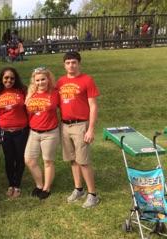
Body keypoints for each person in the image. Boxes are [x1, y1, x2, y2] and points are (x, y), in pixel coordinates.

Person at [56, 51, 100, 208]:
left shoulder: (87, 80)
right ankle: (78, 189)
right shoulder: (60, 82)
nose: (71, 65)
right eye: (67, 63)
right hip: (65, 125)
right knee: (73, 160)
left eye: (73, 62)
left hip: (81, 125)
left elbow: (93, 106)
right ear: (64, 64)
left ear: (79, 63)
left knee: (84, 162)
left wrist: (91, 129)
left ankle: (93, 194)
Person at [24, 67, 59, 200]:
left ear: (48, 79)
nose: (40, 82)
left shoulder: (55, 93)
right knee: (29, 160)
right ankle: (39, 185)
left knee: (48, 161)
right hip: (34, 132)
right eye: (37, 80)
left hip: (50, 133)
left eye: (43, 79)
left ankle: (46, 188)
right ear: (34, 81)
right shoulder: (31, 94)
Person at [0, 67, 29, 199]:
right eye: (6, 78)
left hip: (21, 130)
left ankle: (17, 185)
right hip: (5, 131)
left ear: (16, 79)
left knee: (20, 158)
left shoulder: (22, 91)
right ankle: (11, 184)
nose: (9, 80)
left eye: (12, 78)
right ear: (2, 79)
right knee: (9, 159)